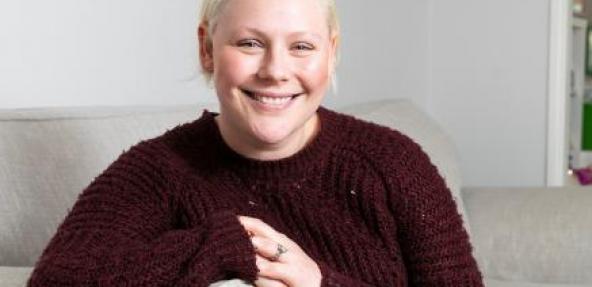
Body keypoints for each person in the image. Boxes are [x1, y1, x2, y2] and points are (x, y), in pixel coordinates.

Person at [28, 0, 484, 286]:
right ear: (207, 49)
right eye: (249, 43)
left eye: (302, 47)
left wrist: (319, 283)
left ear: (333, 51)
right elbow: (54, 280)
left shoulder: (393, 162)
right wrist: (223, 245)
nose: (275, 70)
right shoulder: (158, 170)